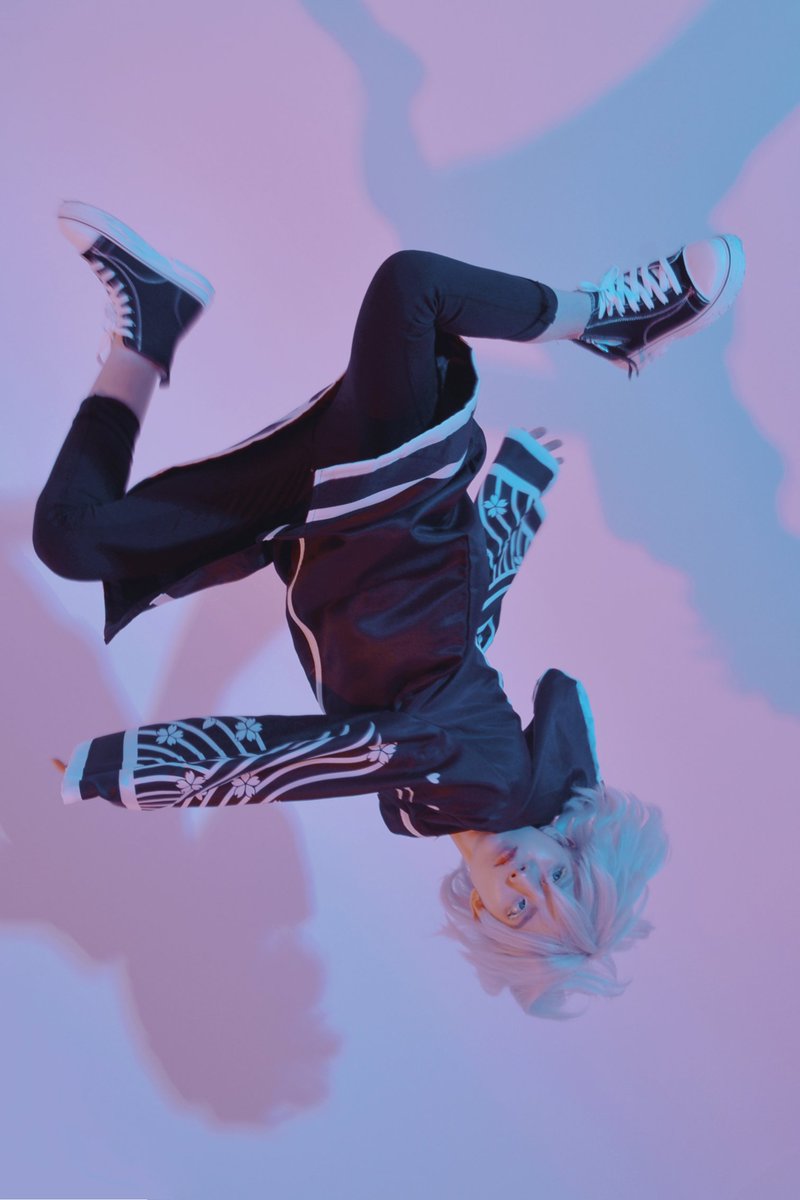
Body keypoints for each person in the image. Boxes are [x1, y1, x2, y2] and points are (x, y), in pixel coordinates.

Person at [34, 201, 744, 1018]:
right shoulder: (489, 786)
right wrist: (127, 774)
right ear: (563, 844)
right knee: (412, 290)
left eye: (520, 908)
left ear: (483, 913)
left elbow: (472, 630)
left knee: (74, 540)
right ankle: (611, 321)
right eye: (555, 876)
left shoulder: (432, 805)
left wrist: (514, 499)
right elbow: (303, 758)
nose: (525, 879)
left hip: (319, 516)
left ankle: (150, 325)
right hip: (388, 492)